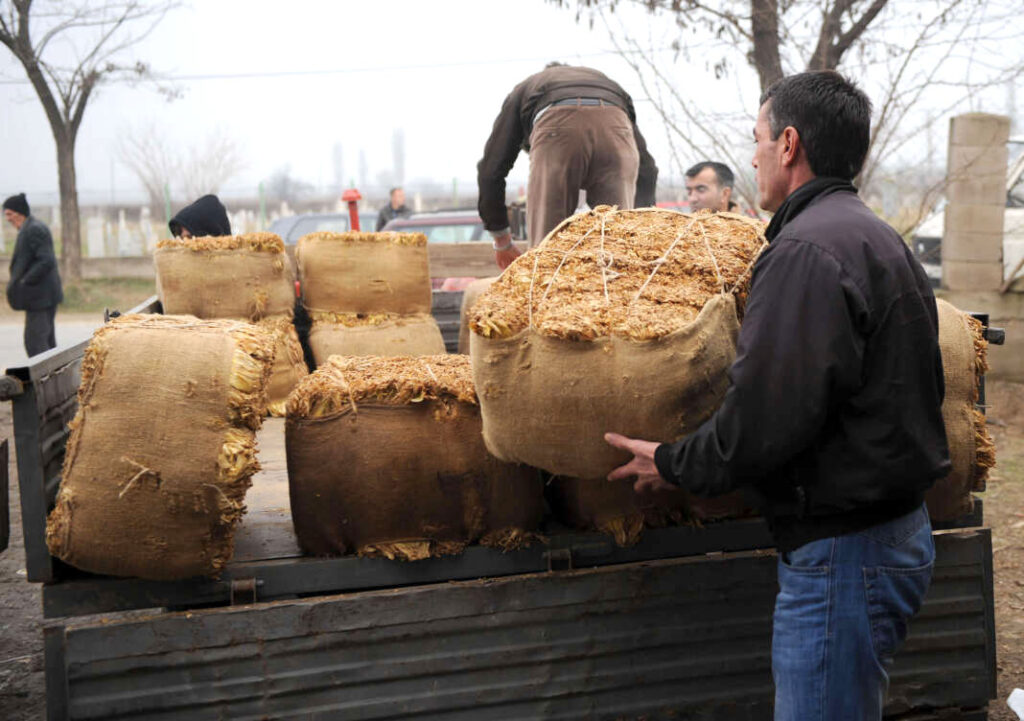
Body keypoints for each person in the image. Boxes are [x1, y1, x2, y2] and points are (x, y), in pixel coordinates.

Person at [604, 71, 948, 720]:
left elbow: (762, 420)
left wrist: (674, 462)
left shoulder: (806, 251)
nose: (754, 153)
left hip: (845, 558)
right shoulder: (875, 236)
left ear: (788, 145)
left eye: (758, 139)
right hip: (890, 536)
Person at [478, 62, 658, 269]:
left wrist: (501, 240)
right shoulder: (607, 84)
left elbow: (491, 170)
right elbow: (647, 169)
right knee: (619, 249)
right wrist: (645, 232)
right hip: (616, 125)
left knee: (547, 253)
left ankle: (544, 289)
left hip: (557, 125)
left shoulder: (527, 88)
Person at [4, 193, 63, 357]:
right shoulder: (30, 228)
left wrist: (25, 280)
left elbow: (46, 260)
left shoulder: (33, 229)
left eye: (9, 214)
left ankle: (42, 381)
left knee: (36, 344)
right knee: (47, 342)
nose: (7, 218)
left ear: (19, 212)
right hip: (40, 298)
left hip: (40, 298)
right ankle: (52, 380)